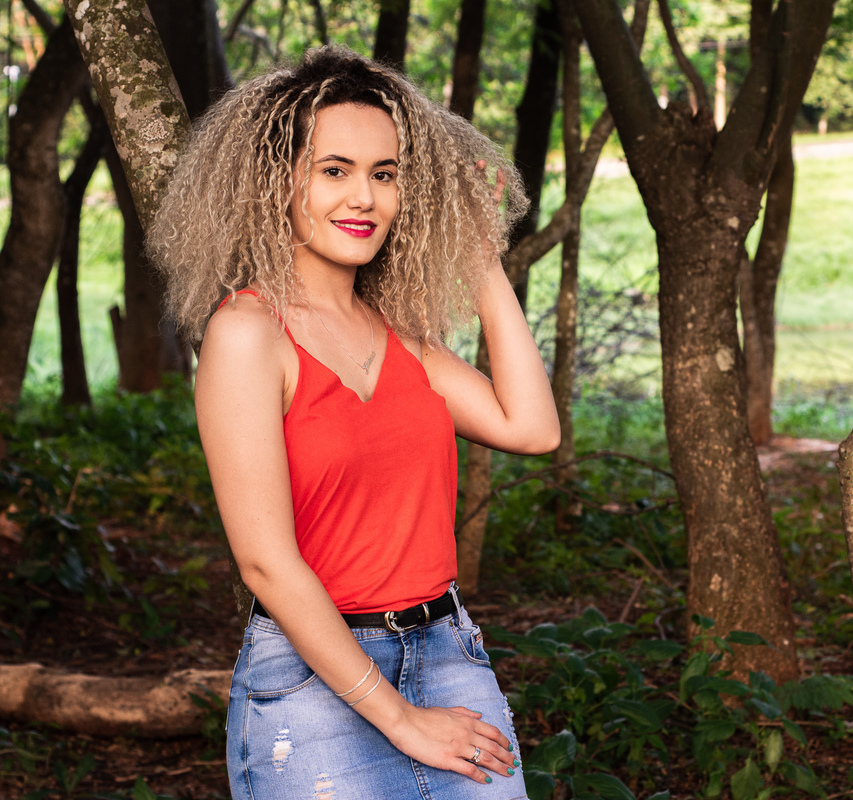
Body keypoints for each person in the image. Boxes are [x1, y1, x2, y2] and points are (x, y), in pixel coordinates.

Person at [148, 46, 559, 799]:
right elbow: (265, 563)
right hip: (312, 679)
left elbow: (532, 429)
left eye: (385, 173)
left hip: (447, 653)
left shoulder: (403, 339)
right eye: (333, 170)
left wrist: (481, 258)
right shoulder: (248, 334)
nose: (364, 197)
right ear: (276, 180)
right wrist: (401, 719)